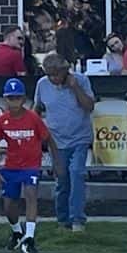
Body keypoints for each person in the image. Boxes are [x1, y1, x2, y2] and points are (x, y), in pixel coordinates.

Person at [0, 78, 60, 253]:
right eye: (10, 98)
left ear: (23, 99)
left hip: (31, 165)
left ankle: (29, 236)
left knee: (31, 196)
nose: (14, 102)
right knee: (8, 205)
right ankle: (16, 231)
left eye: (18, 98)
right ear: (5, 99)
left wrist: (56, 162)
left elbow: (49, 139)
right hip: (11, 166)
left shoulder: (33, 118)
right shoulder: (2, 121)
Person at [33, 53, 95, 232]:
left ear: (65, 71)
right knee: (62, 180)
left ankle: (77, 219)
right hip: (56, 140)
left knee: (77, 173)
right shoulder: (42, 84)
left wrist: (75, 88)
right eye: (49, 75)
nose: (53, 79)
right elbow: (37, 108)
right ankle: (62, 220)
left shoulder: (81, 80)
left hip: (79, 138)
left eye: (56, 75)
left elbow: (89, 106)